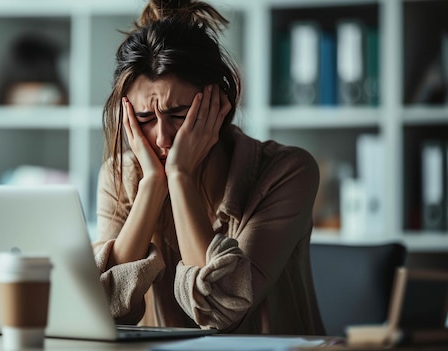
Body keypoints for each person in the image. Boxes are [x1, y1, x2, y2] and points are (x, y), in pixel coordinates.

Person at [92, 0, 326, 335]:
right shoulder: (120, 177)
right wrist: (152, 187)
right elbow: (101, 309)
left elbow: (222, 310)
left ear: (220, 103)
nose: (162, 138)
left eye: (179, 115)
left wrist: (180, 176)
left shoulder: (287, 171)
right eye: (144, 119)